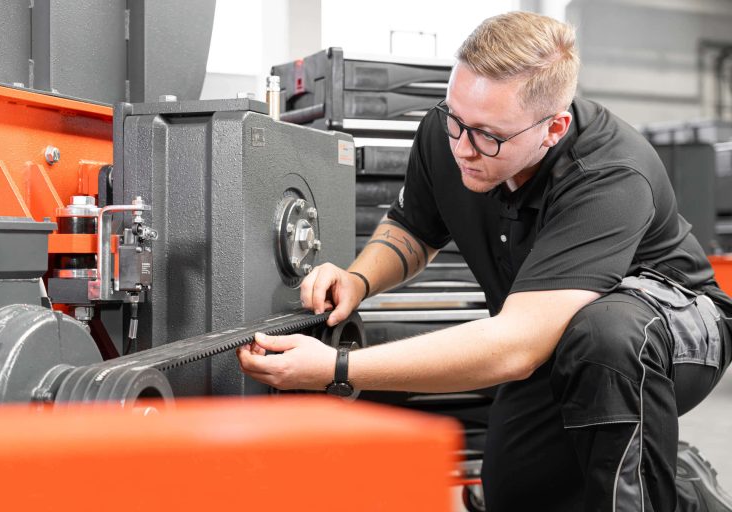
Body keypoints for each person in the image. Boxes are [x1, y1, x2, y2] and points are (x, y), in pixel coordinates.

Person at [237, 11, 732, 512]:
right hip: (557, 334)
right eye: (455, 121)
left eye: (488, 136)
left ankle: (672, 488)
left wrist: (337, 368)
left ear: (553, 128)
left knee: (607, 338)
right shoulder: (451, 132)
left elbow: (515, 346)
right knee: (514, 488)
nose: (462, 149)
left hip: (673, 335)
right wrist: (359, 279)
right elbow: (413, 229)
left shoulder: (610, 174)